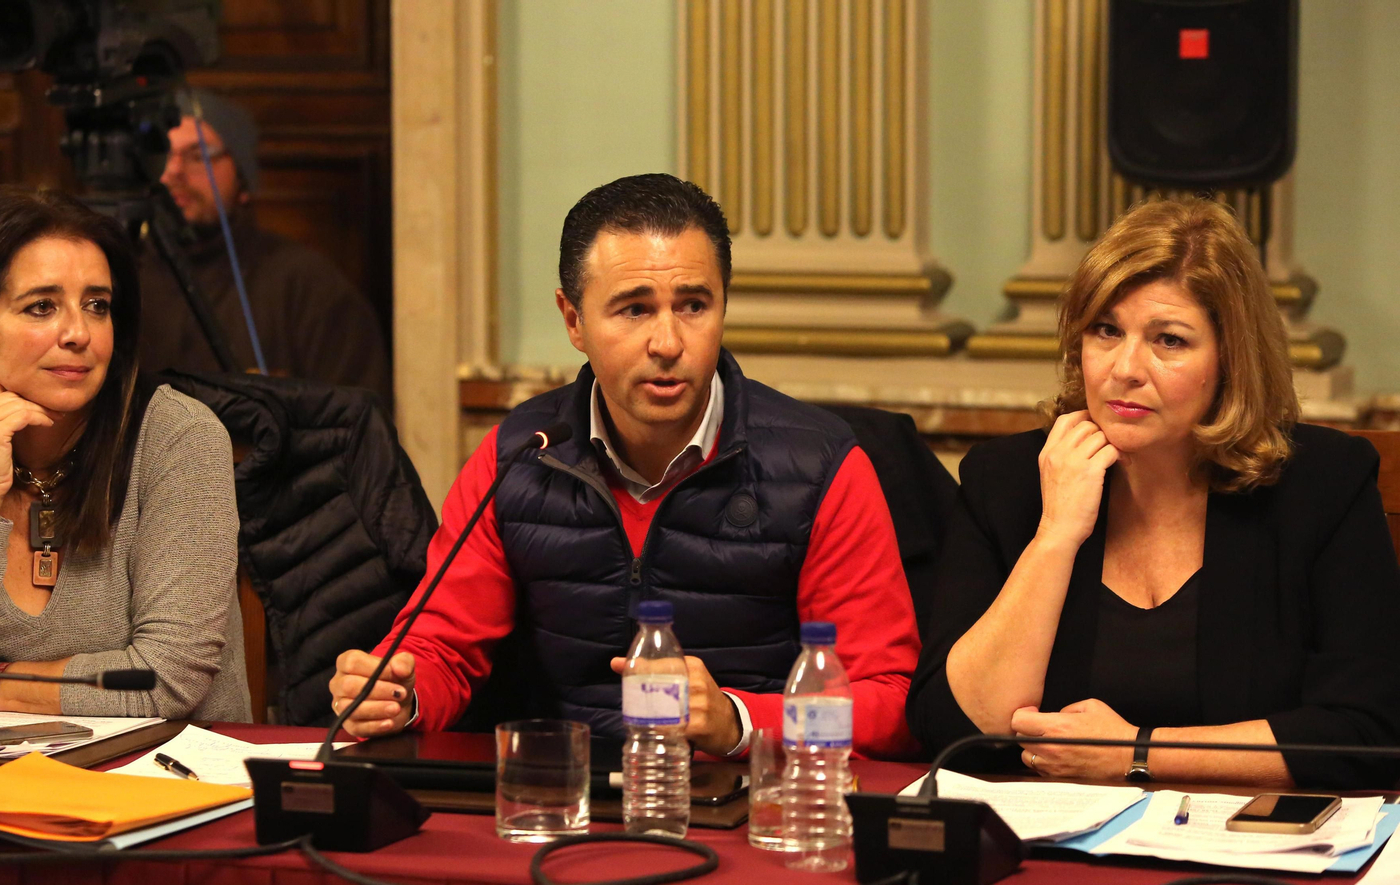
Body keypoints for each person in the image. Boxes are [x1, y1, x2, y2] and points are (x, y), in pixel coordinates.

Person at [329, 173, 921, 758]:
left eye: (693, 305)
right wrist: (399, 695)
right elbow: (441, 651)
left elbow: (888, 700)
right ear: (573, 321)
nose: (668, 342)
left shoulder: (819, 468)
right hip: (562, 797)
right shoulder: (519, 456)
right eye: (634, 310)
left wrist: (741, 721)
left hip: (746, 805)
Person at [908, 197, 1400, 789]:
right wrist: (1057, 534)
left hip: (1249, 849)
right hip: (1053, 850)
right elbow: (954, 730)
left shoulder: (1319, 484)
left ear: (1231, 361)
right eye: (1105, 331)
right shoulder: (1010, 478)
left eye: (1168, 340)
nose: (1124, 368)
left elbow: (1367, 732)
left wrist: (1138, 753)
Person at [0, 186, 249, 721]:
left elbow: (165, 679)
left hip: (171, 780)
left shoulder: (178, 439)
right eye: (41, 307)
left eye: (97, 305)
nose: (79, 333)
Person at [137, 88, 390, 397]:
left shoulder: (308, 287)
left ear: (244, 180)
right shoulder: (116, 277)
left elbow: (356, 426)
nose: (174, 171)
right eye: (163, 153)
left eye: (199, 155)